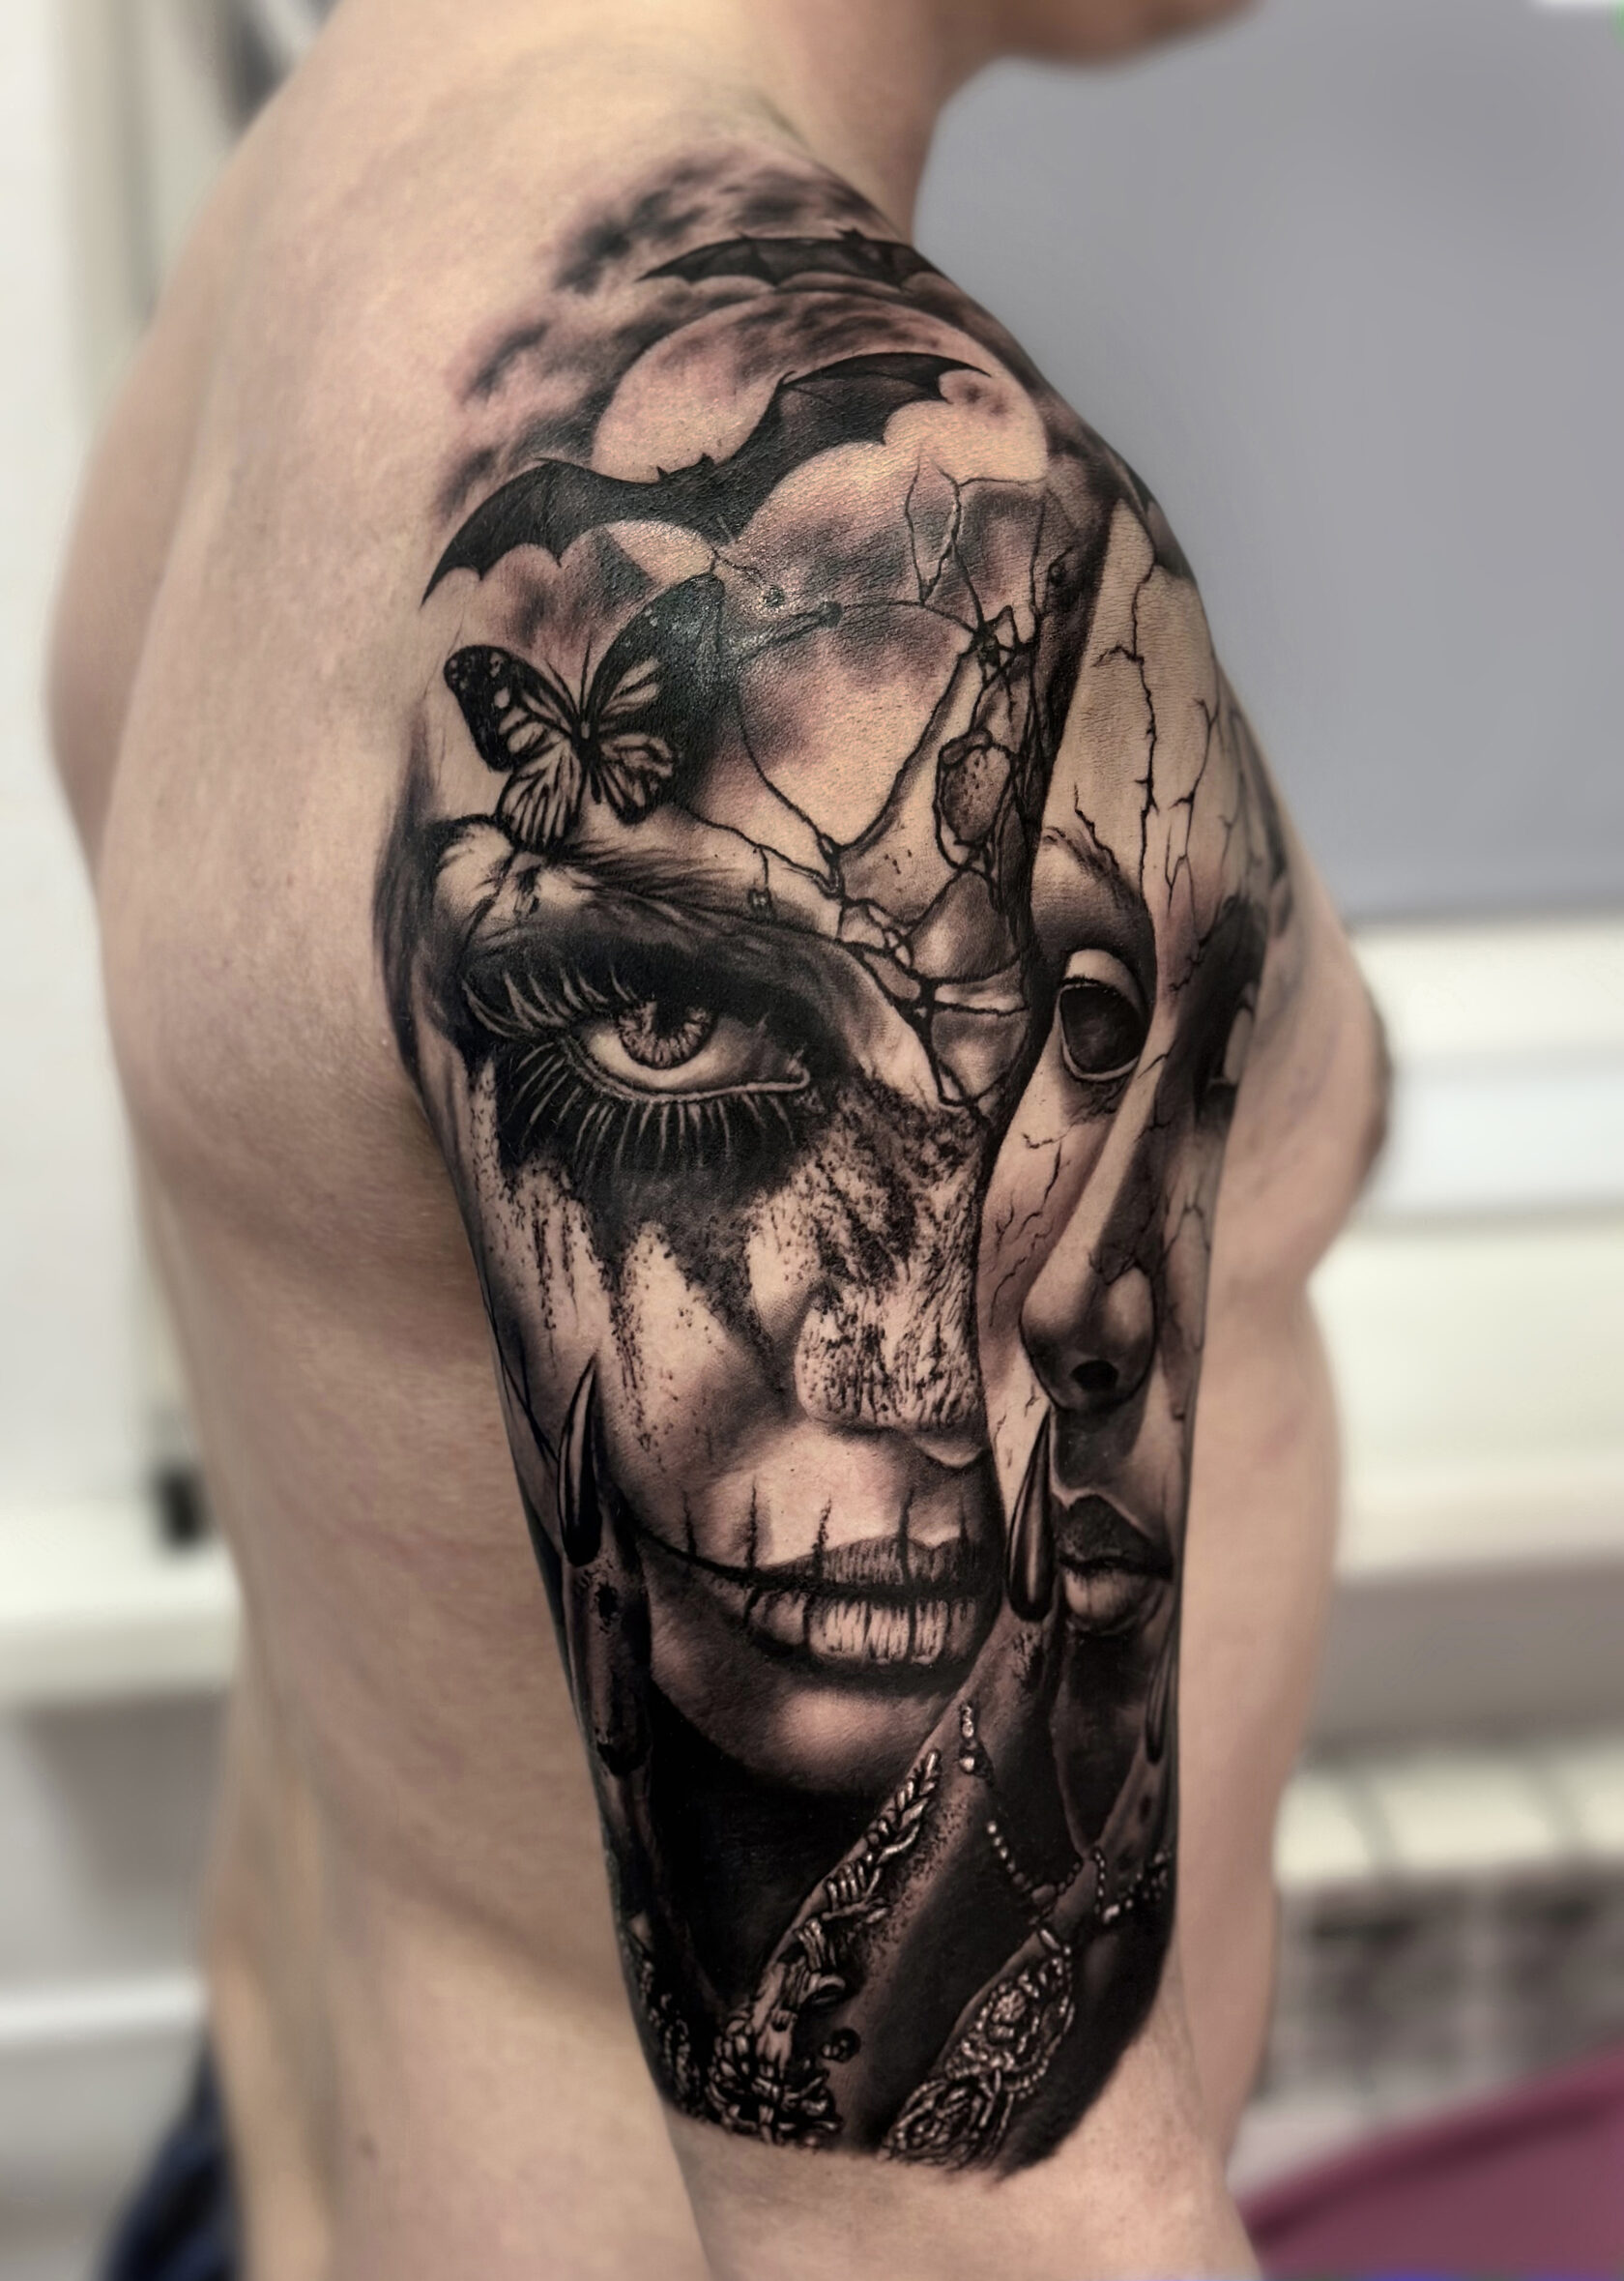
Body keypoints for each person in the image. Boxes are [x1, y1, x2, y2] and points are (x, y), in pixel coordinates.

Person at [50, 0, 1386, 2272]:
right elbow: (944, 2237)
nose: (911, 1351)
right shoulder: (850, 541)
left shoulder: (288, 245)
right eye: (679, 1021)